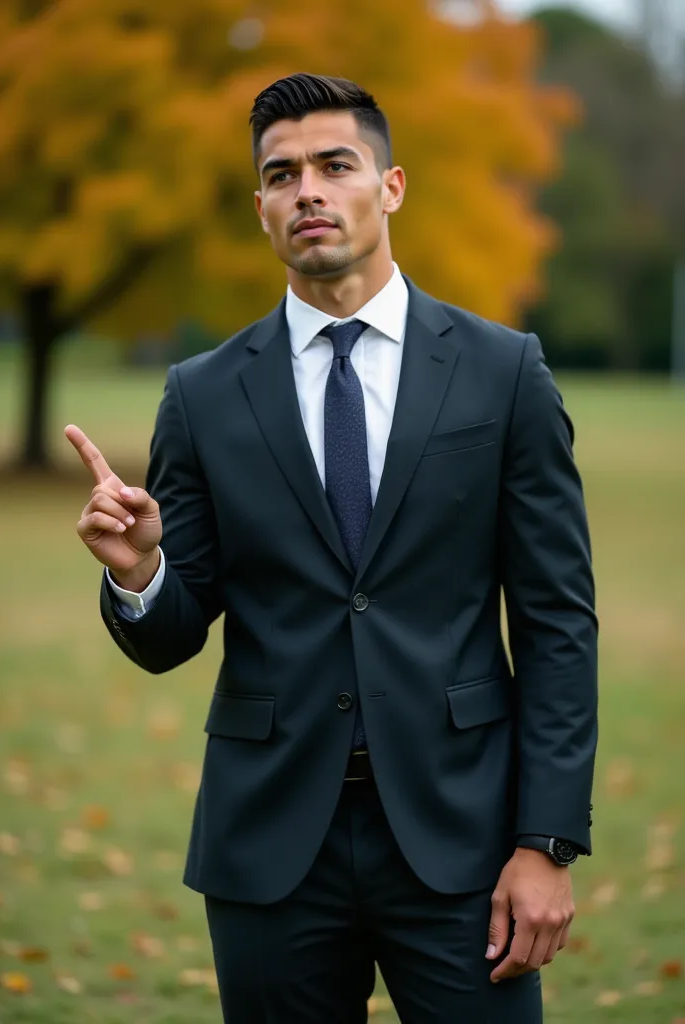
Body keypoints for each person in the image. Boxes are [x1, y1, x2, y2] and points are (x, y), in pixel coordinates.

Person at [66, 73, 598, 1024]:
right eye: (281, 174)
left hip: (463, 838)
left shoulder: (502, 372)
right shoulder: (202, 394)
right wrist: (142, 572)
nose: (306, 189)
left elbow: (559, 621)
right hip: (270, 847)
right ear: (261, 207)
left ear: (389, 186)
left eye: (333, 164)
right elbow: (170, 637)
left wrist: (545, 843)